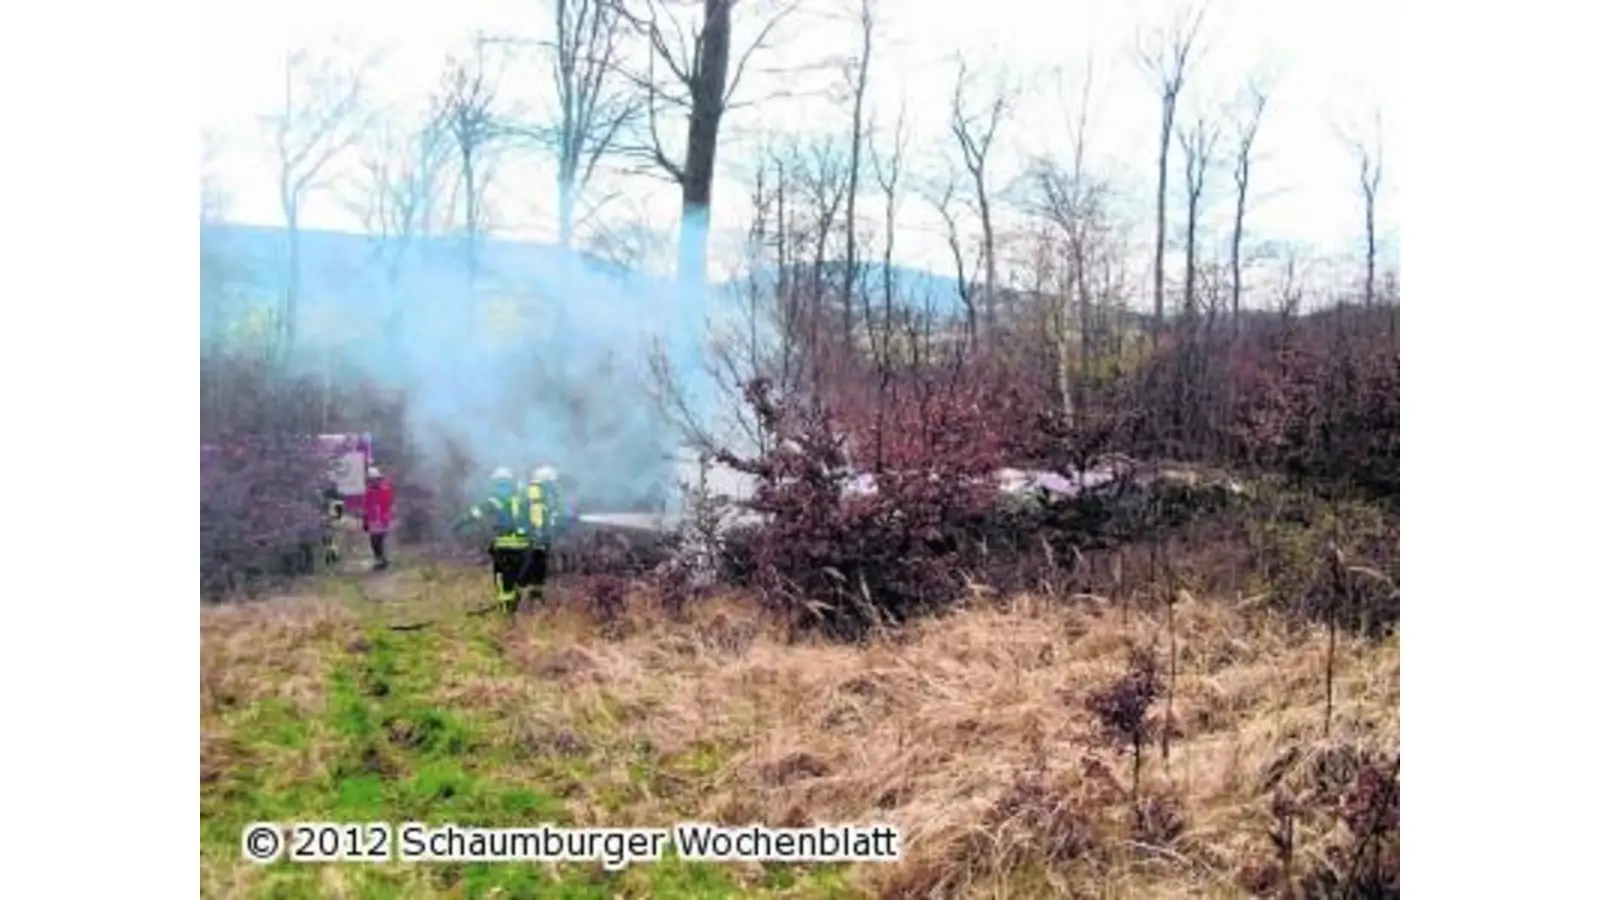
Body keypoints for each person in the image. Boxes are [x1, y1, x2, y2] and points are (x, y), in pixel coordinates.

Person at [455, 466, 541, 615]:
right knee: (519, 577)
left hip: (504, 546)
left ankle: (507, 612)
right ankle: (525, 607)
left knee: (503, 579)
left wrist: (460, 523)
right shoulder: (524, 496)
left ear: (496, 482)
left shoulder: (496, 498)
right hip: (525, 545)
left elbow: (477, 513)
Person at [363, 465, 394, 571]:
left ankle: (384, 560)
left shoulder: (385, 489)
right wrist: (365, 520)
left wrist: (387, 517)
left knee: (381, 540)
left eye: (374, 480)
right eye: (371, 480)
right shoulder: (368, 491)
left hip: (382, 519)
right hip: (373, 519)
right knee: (374, 541)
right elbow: (366, 506)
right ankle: (379, 559)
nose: (372, 482)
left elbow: (388, 503)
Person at [320, 481, 345, 568]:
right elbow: (339, 515)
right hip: (333, 522)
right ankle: (332, 556)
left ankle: (331, 556)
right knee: (331, 540)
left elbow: (337, 515)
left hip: (331, 522)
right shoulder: (338, 498)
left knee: (330, 540)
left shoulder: (333, 500)